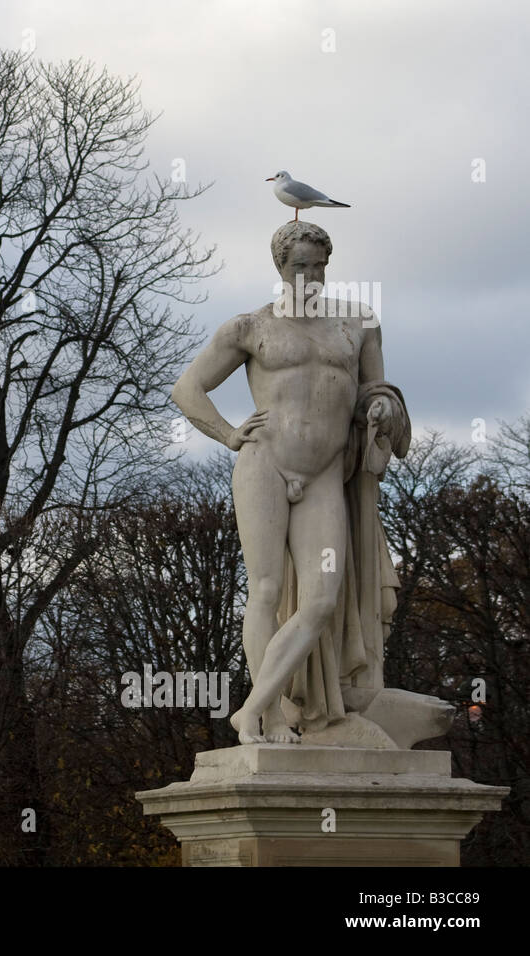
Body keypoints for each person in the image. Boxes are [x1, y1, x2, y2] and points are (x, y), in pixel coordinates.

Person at [170, 222, 409, 743]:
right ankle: (271, 717)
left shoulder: (359, 322)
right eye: (301, 266)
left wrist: (383, 406)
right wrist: (230, 434)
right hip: (266, 464)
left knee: (321, 600)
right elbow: (187, 388)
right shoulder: (250, 327)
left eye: (319, 266)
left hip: (325, 474)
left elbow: (375, 389)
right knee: (266, 590)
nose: (311, 276)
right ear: (281, 267)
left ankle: (249, 708)